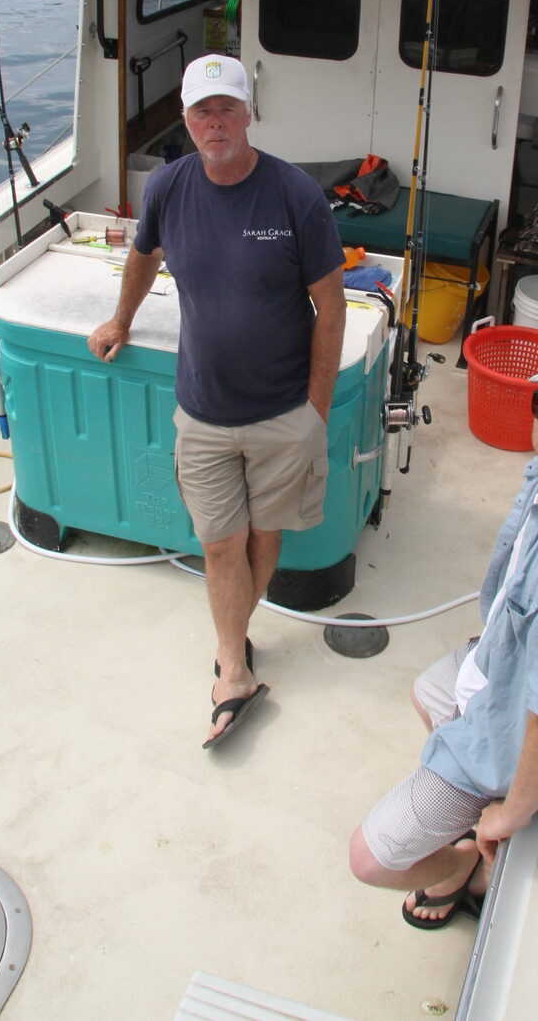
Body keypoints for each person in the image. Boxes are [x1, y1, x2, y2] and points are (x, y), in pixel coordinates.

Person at [349, 339, 538, 929]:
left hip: (518, 736)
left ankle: (461, 866)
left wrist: (507, 817)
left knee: (370, 860)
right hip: (498, 678)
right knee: (426, 689)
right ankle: (464, 813)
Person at [87, 54, 346, 749]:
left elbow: (332, 303)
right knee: (221, 541)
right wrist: (121, 319)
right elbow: (145, 253)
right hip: (202, 411)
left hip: (283, 412)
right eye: (202, 111)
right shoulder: (168, 187)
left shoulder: (295, 196)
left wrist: (316, 412)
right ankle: (233, 664)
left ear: (249, 112)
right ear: (186, 118)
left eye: (227, 108)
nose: (215, 123)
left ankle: (233, 645)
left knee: (265, 536)